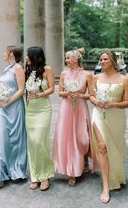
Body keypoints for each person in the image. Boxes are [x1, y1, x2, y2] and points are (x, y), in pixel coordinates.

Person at [90, 50, 128, 204]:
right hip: (98, 115)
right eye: (101, 59)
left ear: (113, 61)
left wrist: (113, 104)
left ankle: (117, 176)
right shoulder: (96, 77)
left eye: (105, 59)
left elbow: (127, 102)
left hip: (116, 117)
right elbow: (91, 95)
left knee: (116, 149)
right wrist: (95, 101)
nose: (102, 62)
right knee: (102, 146)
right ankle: (105, 186)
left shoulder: (124, 79)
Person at [53, 48, 95, 186]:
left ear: (76, 59)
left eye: (68, 58)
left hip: (81, 108)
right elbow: (60, 92)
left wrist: (79, 95)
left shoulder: (87, 75)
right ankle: (72, 171)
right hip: (66, 108)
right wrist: (68, 93)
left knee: (82, 136)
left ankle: (83, 161)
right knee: (67, 138)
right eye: (66, 58)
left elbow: (91, 95)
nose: (66, 60)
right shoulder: (64, 74)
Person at [0, 46, 27, 190]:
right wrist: (0, 102)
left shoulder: (18, 68)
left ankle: (16, 171)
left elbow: (21, 89)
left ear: (11, 54)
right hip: (3, 109)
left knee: (15, 140)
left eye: (6, 52)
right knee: (0, 140)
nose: (4, 54)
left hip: (15, 108)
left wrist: (8, 101)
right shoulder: (7, 69)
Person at [25, 46, 55, 191]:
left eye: (27, 55)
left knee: (40, 142)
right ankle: (34, 176)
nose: (26, 57)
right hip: (30, 110)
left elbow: (51, 89)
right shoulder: (28, 70)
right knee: (32, 143)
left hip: (43, 109)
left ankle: (45, 175)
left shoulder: (47, 69)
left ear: (35, 56)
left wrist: (38, 95)